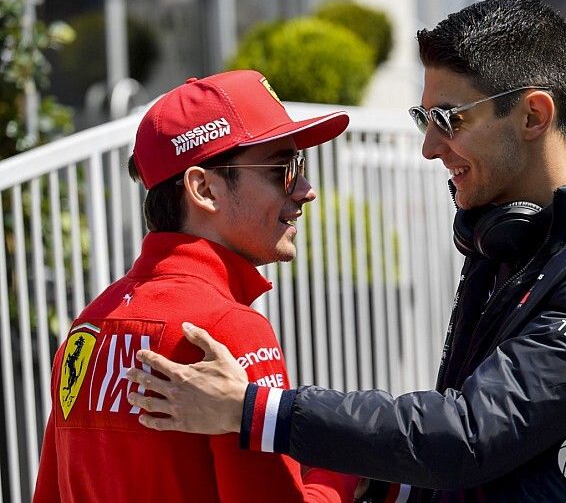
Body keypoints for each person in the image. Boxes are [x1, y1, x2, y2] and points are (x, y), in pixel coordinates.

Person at [126, 0, 566, 502]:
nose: (430, 147)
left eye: (447, 118)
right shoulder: (506, 230)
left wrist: (254, 411)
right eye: (421, 118)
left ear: (533, 114)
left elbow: (474, 433)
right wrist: (384, 483)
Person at [33, 70, 359, 502]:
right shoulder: (228, 329)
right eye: (283, 169)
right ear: (203, 188)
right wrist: (347, 474)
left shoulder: (87, 328)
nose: (305, 190)